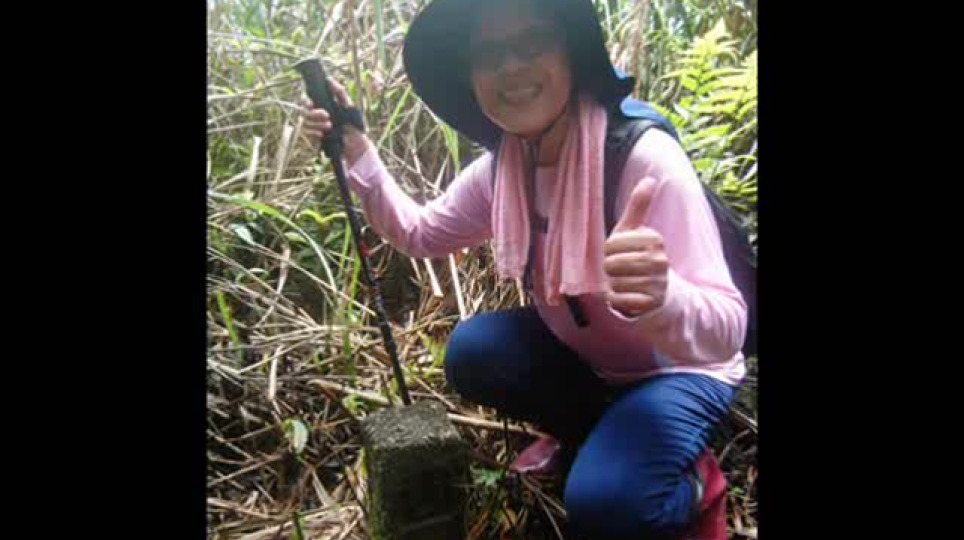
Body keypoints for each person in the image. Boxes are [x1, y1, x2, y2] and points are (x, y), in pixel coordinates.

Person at [302, 0, 747, 538]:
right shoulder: (503, 170)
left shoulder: (642, 160)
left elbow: (727, 333)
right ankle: (596, 434)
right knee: (473, 352)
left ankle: (694, 483)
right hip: (598, 364)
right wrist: (357, 150)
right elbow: (420, 233)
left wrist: (665, 297)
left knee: (606, 508)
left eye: (532, 43)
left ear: (571, 55)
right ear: (472, 78)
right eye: (489, 54)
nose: (511, 67)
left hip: (677, 371)